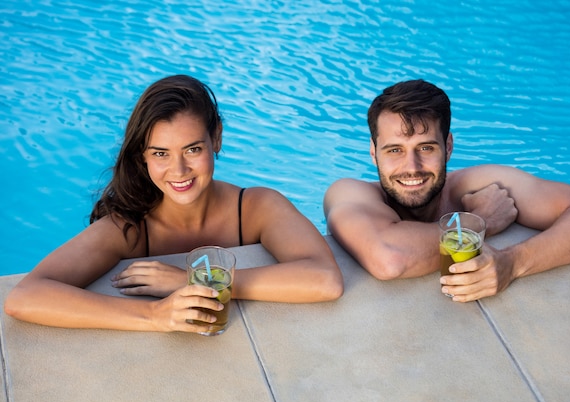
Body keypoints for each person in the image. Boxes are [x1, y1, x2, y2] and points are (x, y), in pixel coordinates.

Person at [5, 74, 343, 332]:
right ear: (143, 156)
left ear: (217, 137)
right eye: (161, 154)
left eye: (193, 149)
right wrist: (154, 315)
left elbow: (324, 279)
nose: (178, 170)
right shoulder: (129, 228)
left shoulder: (255, 208)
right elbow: (26, 296)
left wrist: (197, 282)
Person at [323, 79, 570, 302]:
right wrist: (480, 222)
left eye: (425, 148)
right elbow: (391, 258)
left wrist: (513, 262)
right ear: (373, 154)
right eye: (394, 150)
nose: (411, 166)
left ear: (448, 147)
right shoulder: (348, 193)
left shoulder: (480, 182)